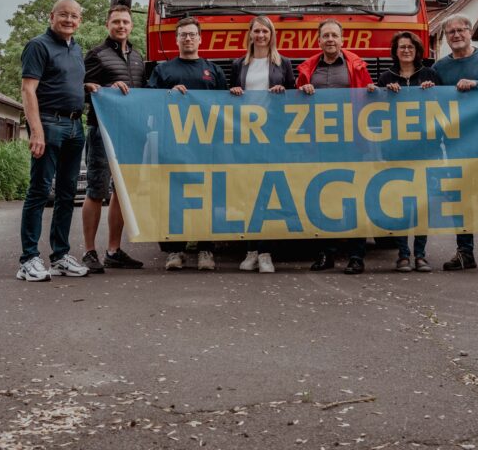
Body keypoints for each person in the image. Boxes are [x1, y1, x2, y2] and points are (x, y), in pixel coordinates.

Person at [17, 0, 90, 281]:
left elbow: (68, 82)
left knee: (67, 194)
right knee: (39, 191)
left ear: (79, 21)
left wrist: (87, 87)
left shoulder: (77, 49)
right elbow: (28, 90)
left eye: (74, 16)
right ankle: (28, 260)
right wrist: (36, 131)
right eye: (64, 15)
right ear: (51, 16)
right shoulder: (38, 46)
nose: (69, 20)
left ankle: (60, 256)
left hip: (75, 126)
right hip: (48, 123)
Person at [147, 17, 228, 271]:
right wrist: (167, 94)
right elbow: (148, 103)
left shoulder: (213, 70)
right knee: (174, 195)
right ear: (177, 39)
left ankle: (206, 249)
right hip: (173, 142)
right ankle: (175, 250)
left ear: (200, 39)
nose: (188, 38)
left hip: (207, 143)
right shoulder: (163, 70)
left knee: (208, 194)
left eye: (192, 34)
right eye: (183, 35)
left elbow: (225, 106)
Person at [297, 19, 373, 274]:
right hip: (319, 143)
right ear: (318, 41)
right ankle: (325, 254)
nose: (330, 39)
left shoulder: (357, 65)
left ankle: (356, 256)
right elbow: (295, 102)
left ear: (342, 40)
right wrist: (302, 89)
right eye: (326, 36)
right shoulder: (308, 68)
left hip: (352, 141)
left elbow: (369, 97)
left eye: (334, 35)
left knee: (354, 197)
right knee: (322, 197)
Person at [433, 14, 478, 274]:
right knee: (460, 197)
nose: (456, 35)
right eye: (450, 32)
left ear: (470, 31)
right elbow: (434, 104)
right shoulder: (440, 68)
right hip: (455, 142)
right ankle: (464, 252)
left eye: (460, 30)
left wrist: (477, 84)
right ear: (446, 37)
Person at [81, 5, 146, 273]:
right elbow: (81, 90)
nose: (121, 26)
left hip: (129, 132)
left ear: (132, 26)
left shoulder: (138, 57)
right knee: (96, 190)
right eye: (116, 21)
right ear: (107, 25)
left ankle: (113, 251)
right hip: (102, 130)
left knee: (122, 191)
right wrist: (105, 89)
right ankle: (89, 251)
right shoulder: (96, 54)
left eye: (125, 22)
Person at [231, 15, 296, 273]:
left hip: (273, 136)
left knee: (268, 192)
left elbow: (293, 99)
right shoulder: (239, 64)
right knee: (248, 192)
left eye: (265, 32)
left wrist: (283, 93)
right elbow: (229, 98)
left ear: (271, 35)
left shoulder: (283, 63)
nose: (260, 36)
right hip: (246, 137)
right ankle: (250, 251)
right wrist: (234, 92)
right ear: (250, 34)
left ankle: (266, 253)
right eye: (256, 31)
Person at [378, 30, 439, 272]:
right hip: (395, 150)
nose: (406, 50)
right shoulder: (386, 77)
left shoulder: (430, 75)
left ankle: (421, 254)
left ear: (417, 51)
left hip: (424, 149)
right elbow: (376, 111)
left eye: (410, 47)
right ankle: (403, 254)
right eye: (402, 47)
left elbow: (443, 107)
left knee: (422, 203)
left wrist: (432, 92)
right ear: (395, 51)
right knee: (400, 202)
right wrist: (384, 94)